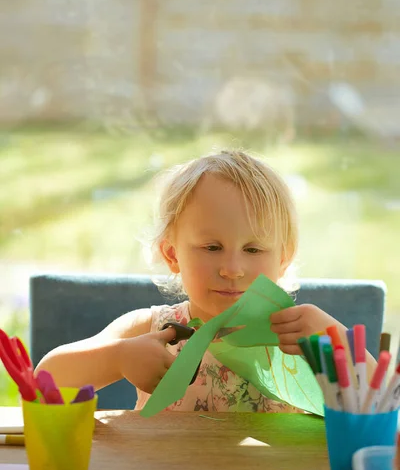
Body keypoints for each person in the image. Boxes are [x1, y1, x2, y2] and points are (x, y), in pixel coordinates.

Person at [36, 149, 375, 412]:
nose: (232, 268)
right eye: (212, 247)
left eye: (254, 248)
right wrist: (118, 358)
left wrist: (338, 345)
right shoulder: (154, 328)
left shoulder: (299, 336)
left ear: (283, 258)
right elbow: (43, 382)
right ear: (172, 255)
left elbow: (382, 402)